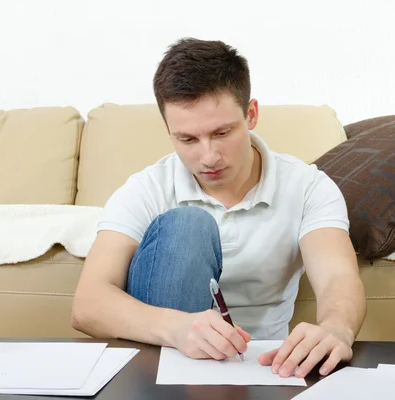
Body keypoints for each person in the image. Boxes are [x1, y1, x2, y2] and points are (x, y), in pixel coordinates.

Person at [71, 37, 366, 379]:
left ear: (251, 114)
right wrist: (178, 328)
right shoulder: (146, 188)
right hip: (165, 361)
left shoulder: (307, 186)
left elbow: (337, 277)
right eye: (188, 140)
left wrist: (336, 329)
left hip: (266, 368)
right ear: (168, 130)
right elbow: (88, 303)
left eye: (222, 133)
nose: (208, 157)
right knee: (187, 227)